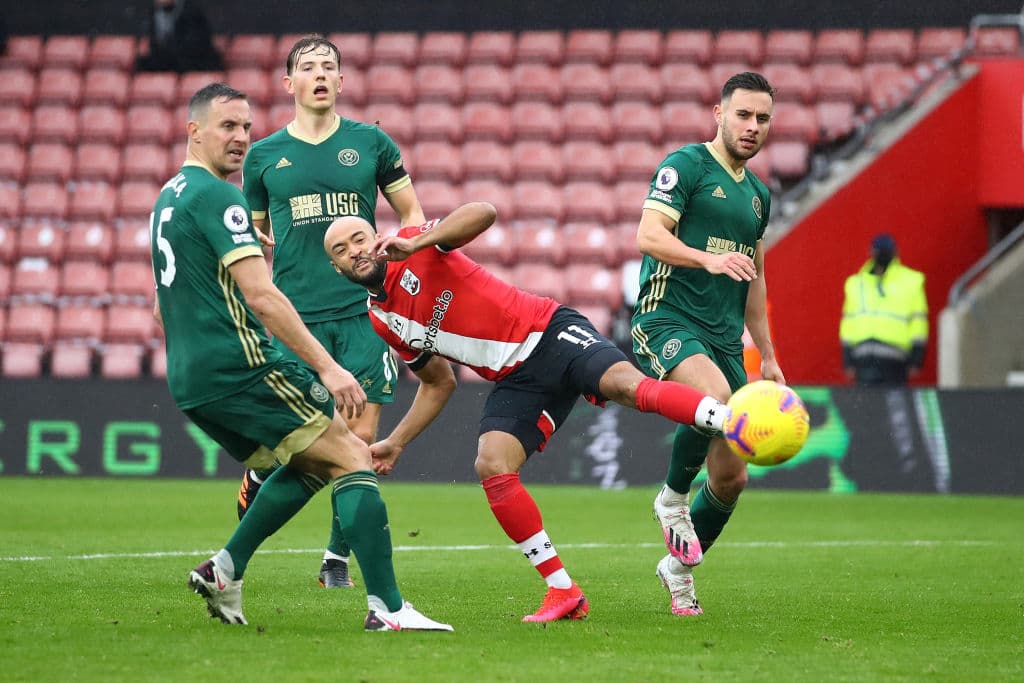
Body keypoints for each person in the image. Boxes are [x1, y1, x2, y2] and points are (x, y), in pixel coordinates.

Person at [323, 202, 733, 623]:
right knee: (492, 462)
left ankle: (733, 423)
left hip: (549, 330)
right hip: (518, 378)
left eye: (359, 239)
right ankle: (563, 591)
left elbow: (484, 212)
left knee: (625, 387)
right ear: (337, 269)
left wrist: (419, 242)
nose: (354, 251)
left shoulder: (415, 243)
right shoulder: (382, 320)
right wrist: (396, 442)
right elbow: (438, 382)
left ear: (375, 236)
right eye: (341, 250)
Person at [153, 82, 450, 631]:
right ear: (194, 131)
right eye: (227, 126)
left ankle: (225, 569)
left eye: (245, 126)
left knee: (315, 461)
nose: (241, 137)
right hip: (240, 365)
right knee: (353, 456)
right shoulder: (219, 196)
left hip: (188, 376)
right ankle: (387, 609)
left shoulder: (168, 198)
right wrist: (328, 367)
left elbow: (158, 305)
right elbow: (263, 297)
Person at [238, 34, 426, 589]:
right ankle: (259, 472)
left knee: (361, 440)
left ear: (341, 82)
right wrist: (261, 237)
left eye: (329, 67)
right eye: (308, 67)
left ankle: (335, 559)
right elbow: (252, 226)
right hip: (296, 319)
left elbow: (411, 211)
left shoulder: (371, 143)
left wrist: (402, 242)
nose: (319, 74)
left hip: (364, 312)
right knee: (302, 445)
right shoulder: (264, 156)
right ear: (288, 83)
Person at [630, 72, 783, 617]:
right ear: (718, 113)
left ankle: (677, 573)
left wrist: (766, 353)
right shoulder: (685, 166)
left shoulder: (759, 195)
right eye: (743, 114)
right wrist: (707, 258)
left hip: (721, 338)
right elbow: (648, 236)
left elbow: (755, 278)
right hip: (665, 317)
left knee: (732, 476)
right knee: (713, 397)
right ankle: (671, 500)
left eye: (762, 118)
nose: (752, 127)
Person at [840, 233, 928, 385]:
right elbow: (848, 323)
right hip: (864, 356)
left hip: (895, 358)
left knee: (893, 403)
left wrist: (917, 358)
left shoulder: (911, 281)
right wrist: (847, 358)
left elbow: (918, 322)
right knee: (866, 405)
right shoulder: (856, 283)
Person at [135, 0, 224, 73]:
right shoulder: (154, 12)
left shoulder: (191, 10)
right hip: (168, 59)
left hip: (193, 59)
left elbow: (197, 42)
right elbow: (154, 42)